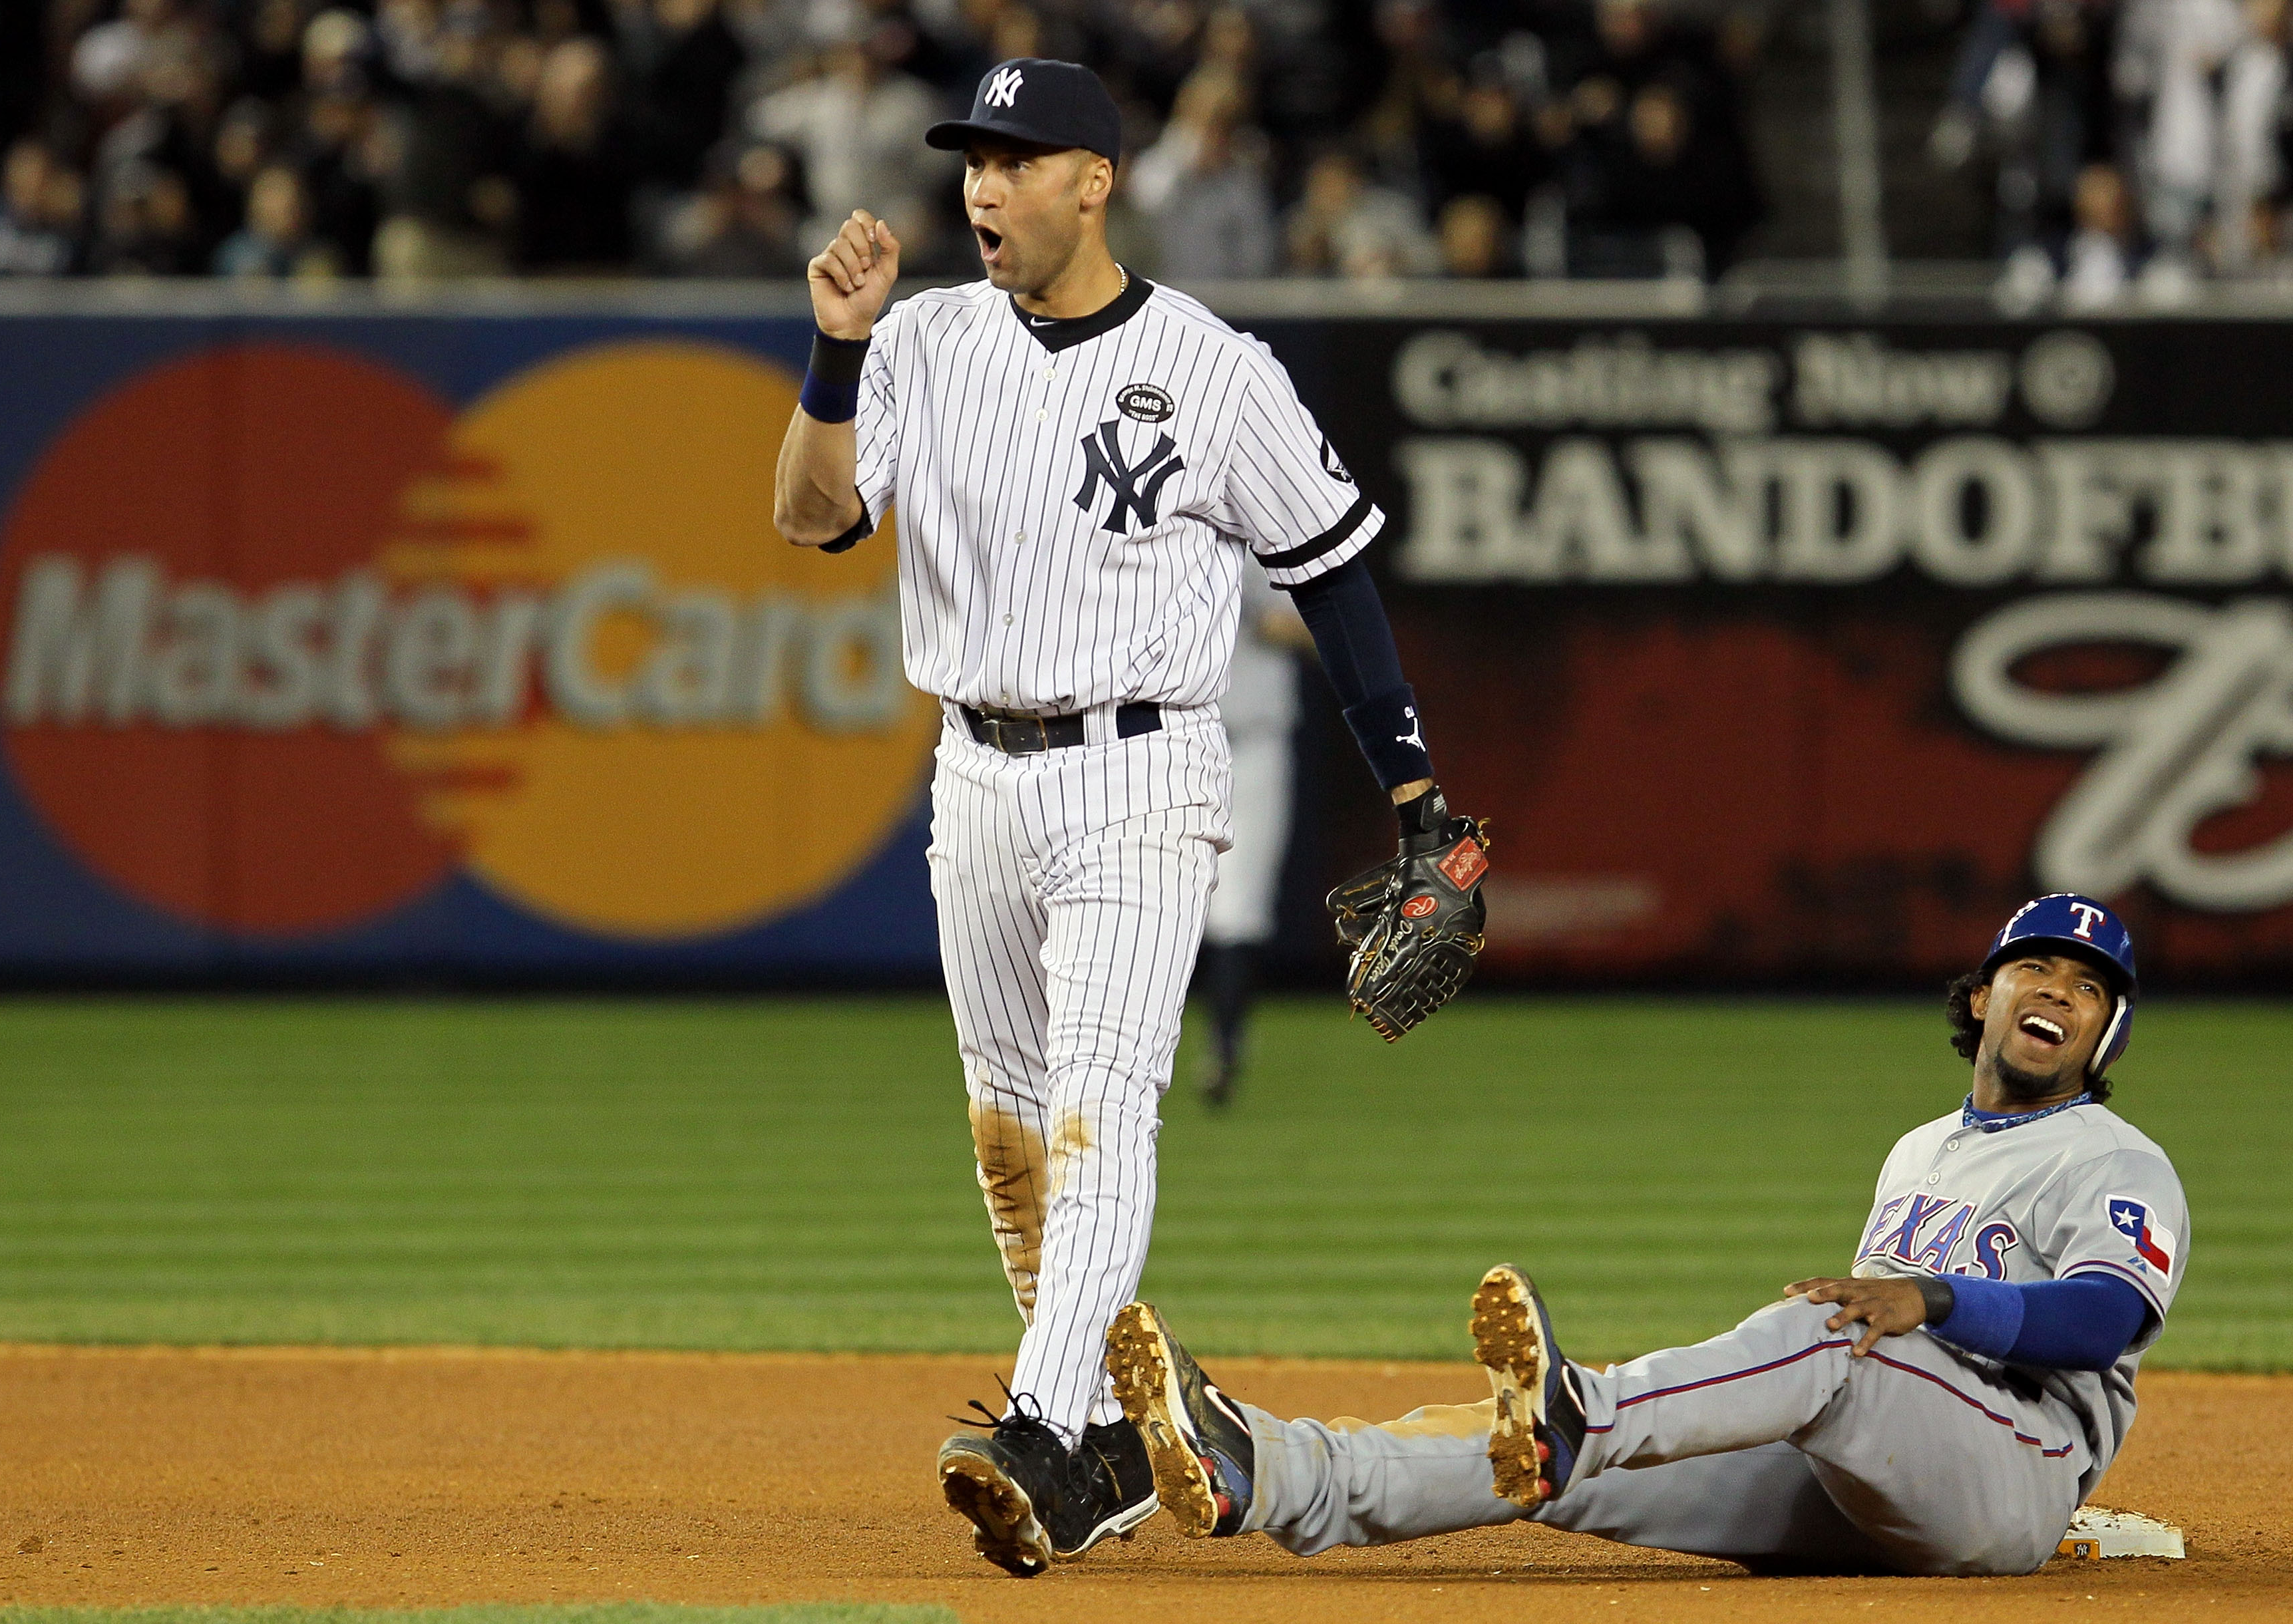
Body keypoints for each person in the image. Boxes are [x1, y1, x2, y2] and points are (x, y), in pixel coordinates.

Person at [770, 55, 1468, 1579]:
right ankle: (1095, 1439)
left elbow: (1331, 573)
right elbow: (814, 515)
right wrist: (834, 354)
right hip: (975, 769)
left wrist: (1416, 796)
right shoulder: (922, 339)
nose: (982, 185)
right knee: (1012, 1124)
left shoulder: (1213, 367)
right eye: (974, 158)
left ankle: (1042, 1415)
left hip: (1143, 770)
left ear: (1097, 180)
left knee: (1102, 1098)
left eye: (1017, 160)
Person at [1107, 893, 2188, 1578]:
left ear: (2108, 1036)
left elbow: (2101, 1320)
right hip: (1887, 1471)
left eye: (2091, 989)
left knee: (1827, 1333)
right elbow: (1879, 1380)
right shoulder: (1920, 1152)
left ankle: (1583, 1411)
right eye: (2037, 969)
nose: (2059, 990)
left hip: (2015, 1472)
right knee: (1531, 1458)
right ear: (1986, 995)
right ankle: (1268, 1473)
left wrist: (1937, 1302)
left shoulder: (2112, 1159)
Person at [1198, 550, 1308, 1108]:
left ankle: (1224, 1047)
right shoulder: (1156, 523)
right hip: (1177, 743)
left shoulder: (1262, 539)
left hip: (1255, 740)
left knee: (1240, 906)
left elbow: (1302, 624)